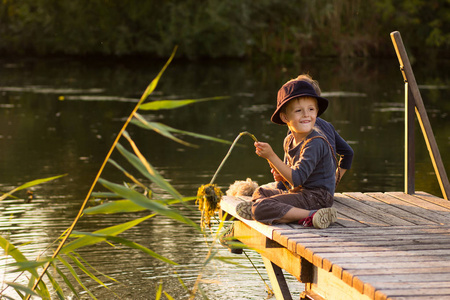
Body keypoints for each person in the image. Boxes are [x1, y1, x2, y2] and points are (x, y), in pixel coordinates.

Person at [236, 80, 337, 229]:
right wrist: (281, 176)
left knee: (261, 207)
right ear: (284, 118)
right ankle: (280, 214)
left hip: (318, 197)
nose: (306, 115)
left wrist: (271, 156)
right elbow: (290, 181)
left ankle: (312, 215)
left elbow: (297, 178)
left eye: (311, 109)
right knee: (260, 191)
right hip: (301, 192)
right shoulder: (289, 140)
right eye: (298, 111)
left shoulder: (315, 142)